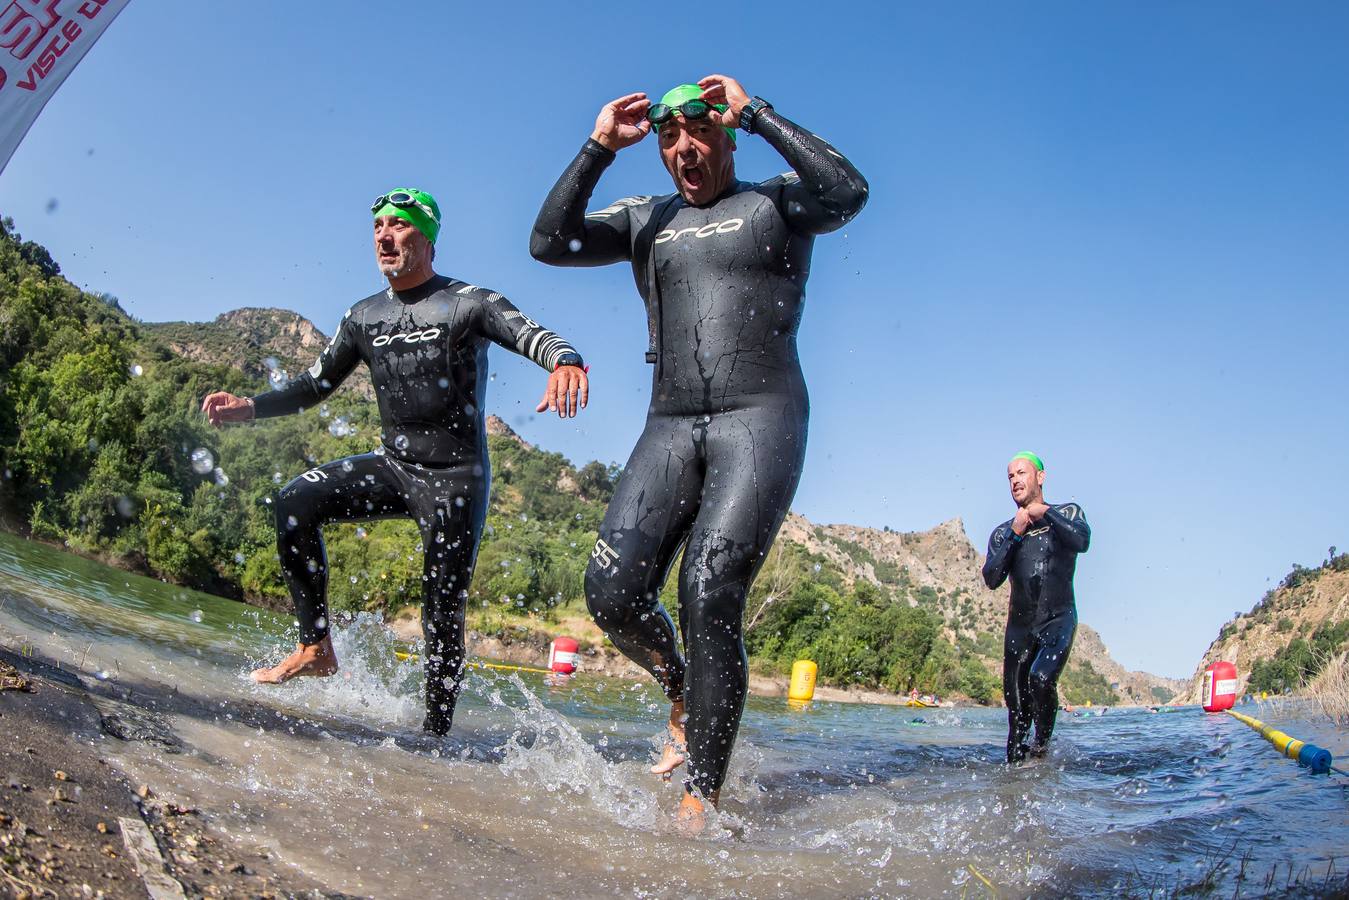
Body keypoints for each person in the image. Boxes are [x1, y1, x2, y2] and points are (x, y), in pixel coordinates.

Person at [530, 75, 867, 822]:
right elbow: (549, 242)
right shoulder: (645, 219)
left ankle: (700, 800)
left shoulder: (777, 203)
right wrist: (597, 147)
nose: (684, 148)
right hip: (670, 425)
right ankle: (682, 689)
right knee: (611, 594)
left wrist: (758, 112)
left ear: (727, 136)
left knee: (708, 592)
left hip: (759, 418)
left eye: (702, 132)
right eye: (669, 138)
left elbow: (847, 193)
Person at [202, 188, 589, 736]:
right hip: (395, 466)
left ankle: (435, 736)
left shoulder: (469, 302)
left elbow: (534, 335)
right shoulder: (363, 316)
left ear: (427, 238)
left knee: (441, 612)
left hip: (454, 479)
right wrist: (250, 406)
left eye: (399, 225)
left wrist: (565, 362)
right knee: (293, 502)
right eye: (378, 226)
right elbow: (314, 386)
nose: (385, 236)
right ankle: (315, 647)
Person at [981, 451, 1091, 763]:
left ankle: (1041, 747)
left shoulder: (1067, 512)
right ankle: (1013, 781)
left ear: (1040, 477)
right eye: (1010, 476)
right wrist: (1015, 533)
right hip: (1020, 630)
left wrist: (1045, 513)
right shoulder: (1003, 532)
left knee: (1041, 679)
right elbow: (991, 578)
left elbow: (1081, 541)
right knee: (1016, 716)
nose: (1015, 481)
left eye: (1021, 473)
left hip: (1058, 619)